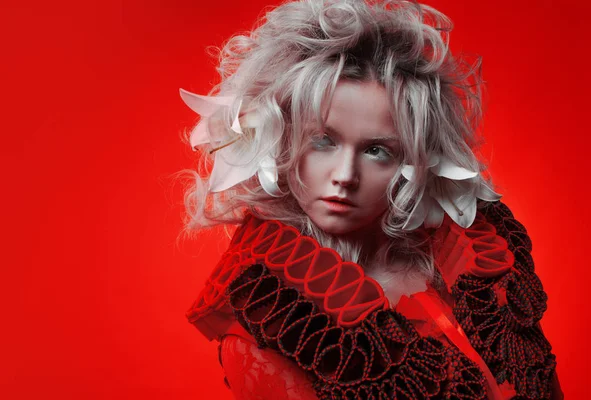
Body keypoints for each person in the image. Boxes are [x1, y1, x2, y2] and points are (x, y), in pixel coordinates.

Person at [180, 1, 563, 398]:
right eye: (323, 141)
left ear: (413, 158)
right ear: (281, 140)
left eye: (376, 150)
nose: (345, 176)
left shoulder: (475, 260)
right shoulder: (276, 317)